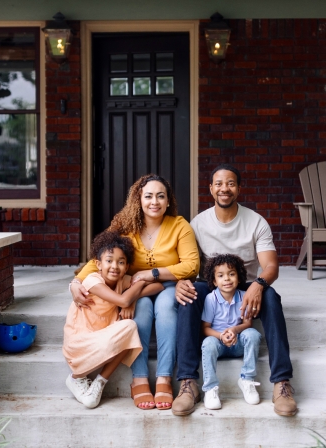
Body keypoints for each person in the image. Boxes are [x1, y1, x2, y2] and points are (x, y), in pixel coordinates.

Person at [172, 164, 298, 417]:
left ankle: (281, 383)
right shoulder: (198, 223)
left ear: (239, 189)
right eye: (218, 183)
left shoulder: (256, 222)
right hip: (212, 283)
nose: (224, 188)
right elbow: (187, 262)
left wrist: (259, 285)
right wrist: (180, 280)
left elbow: (271, 266)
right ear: (210, 189)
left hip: (249, 283)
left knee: (272, 297)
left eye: (230, 183)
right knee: (189, 296)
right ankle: (188, 383)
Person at [70, 174, 200, 410]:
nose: (154, 202)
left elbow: (191, 265)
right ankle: (139, 379)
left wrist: (154, 273)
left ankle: (164, 378)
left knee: (164, 307)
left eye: (161, 196)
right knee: (140, 309)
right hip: (134, 288)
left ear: (168, 200)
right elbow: (100, 255)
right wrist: (76, 282)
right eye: (148, 196)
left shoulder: (179, 225)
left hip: (167, 284)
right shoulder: (126, 225)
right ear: (138, 199)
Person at [63, 231, 159, 409]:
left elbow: (157, 285)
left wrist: (135, 293)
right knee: (129, 326)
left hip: (103, 339)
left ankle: (99, 383)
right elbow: (123, 301)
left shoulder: (122, 282)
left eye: (121, 262)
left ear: (127, 266)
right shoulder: (92, 280)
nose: (115, 266)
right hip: (80, 343)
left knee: (129, 329)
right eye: (109, 261)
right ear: (98, 264)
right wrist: (130, 296)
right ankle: (76, 378)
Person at [200, 254, 262, 410]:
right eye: (220, 276)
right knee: (207, 344)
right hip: (218, 344)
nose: (226, 279)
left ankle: (247, 380)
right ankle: (210, 388)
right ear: (214, 281)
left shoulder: (244, 296)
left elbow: (248, 323)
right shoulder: (211, 299)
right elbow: (205, 328)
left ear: (239, 277)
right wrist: (221, 336)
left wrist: (235, 329)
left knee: (253, 334)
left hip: (237, 342)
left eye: (231, 274)